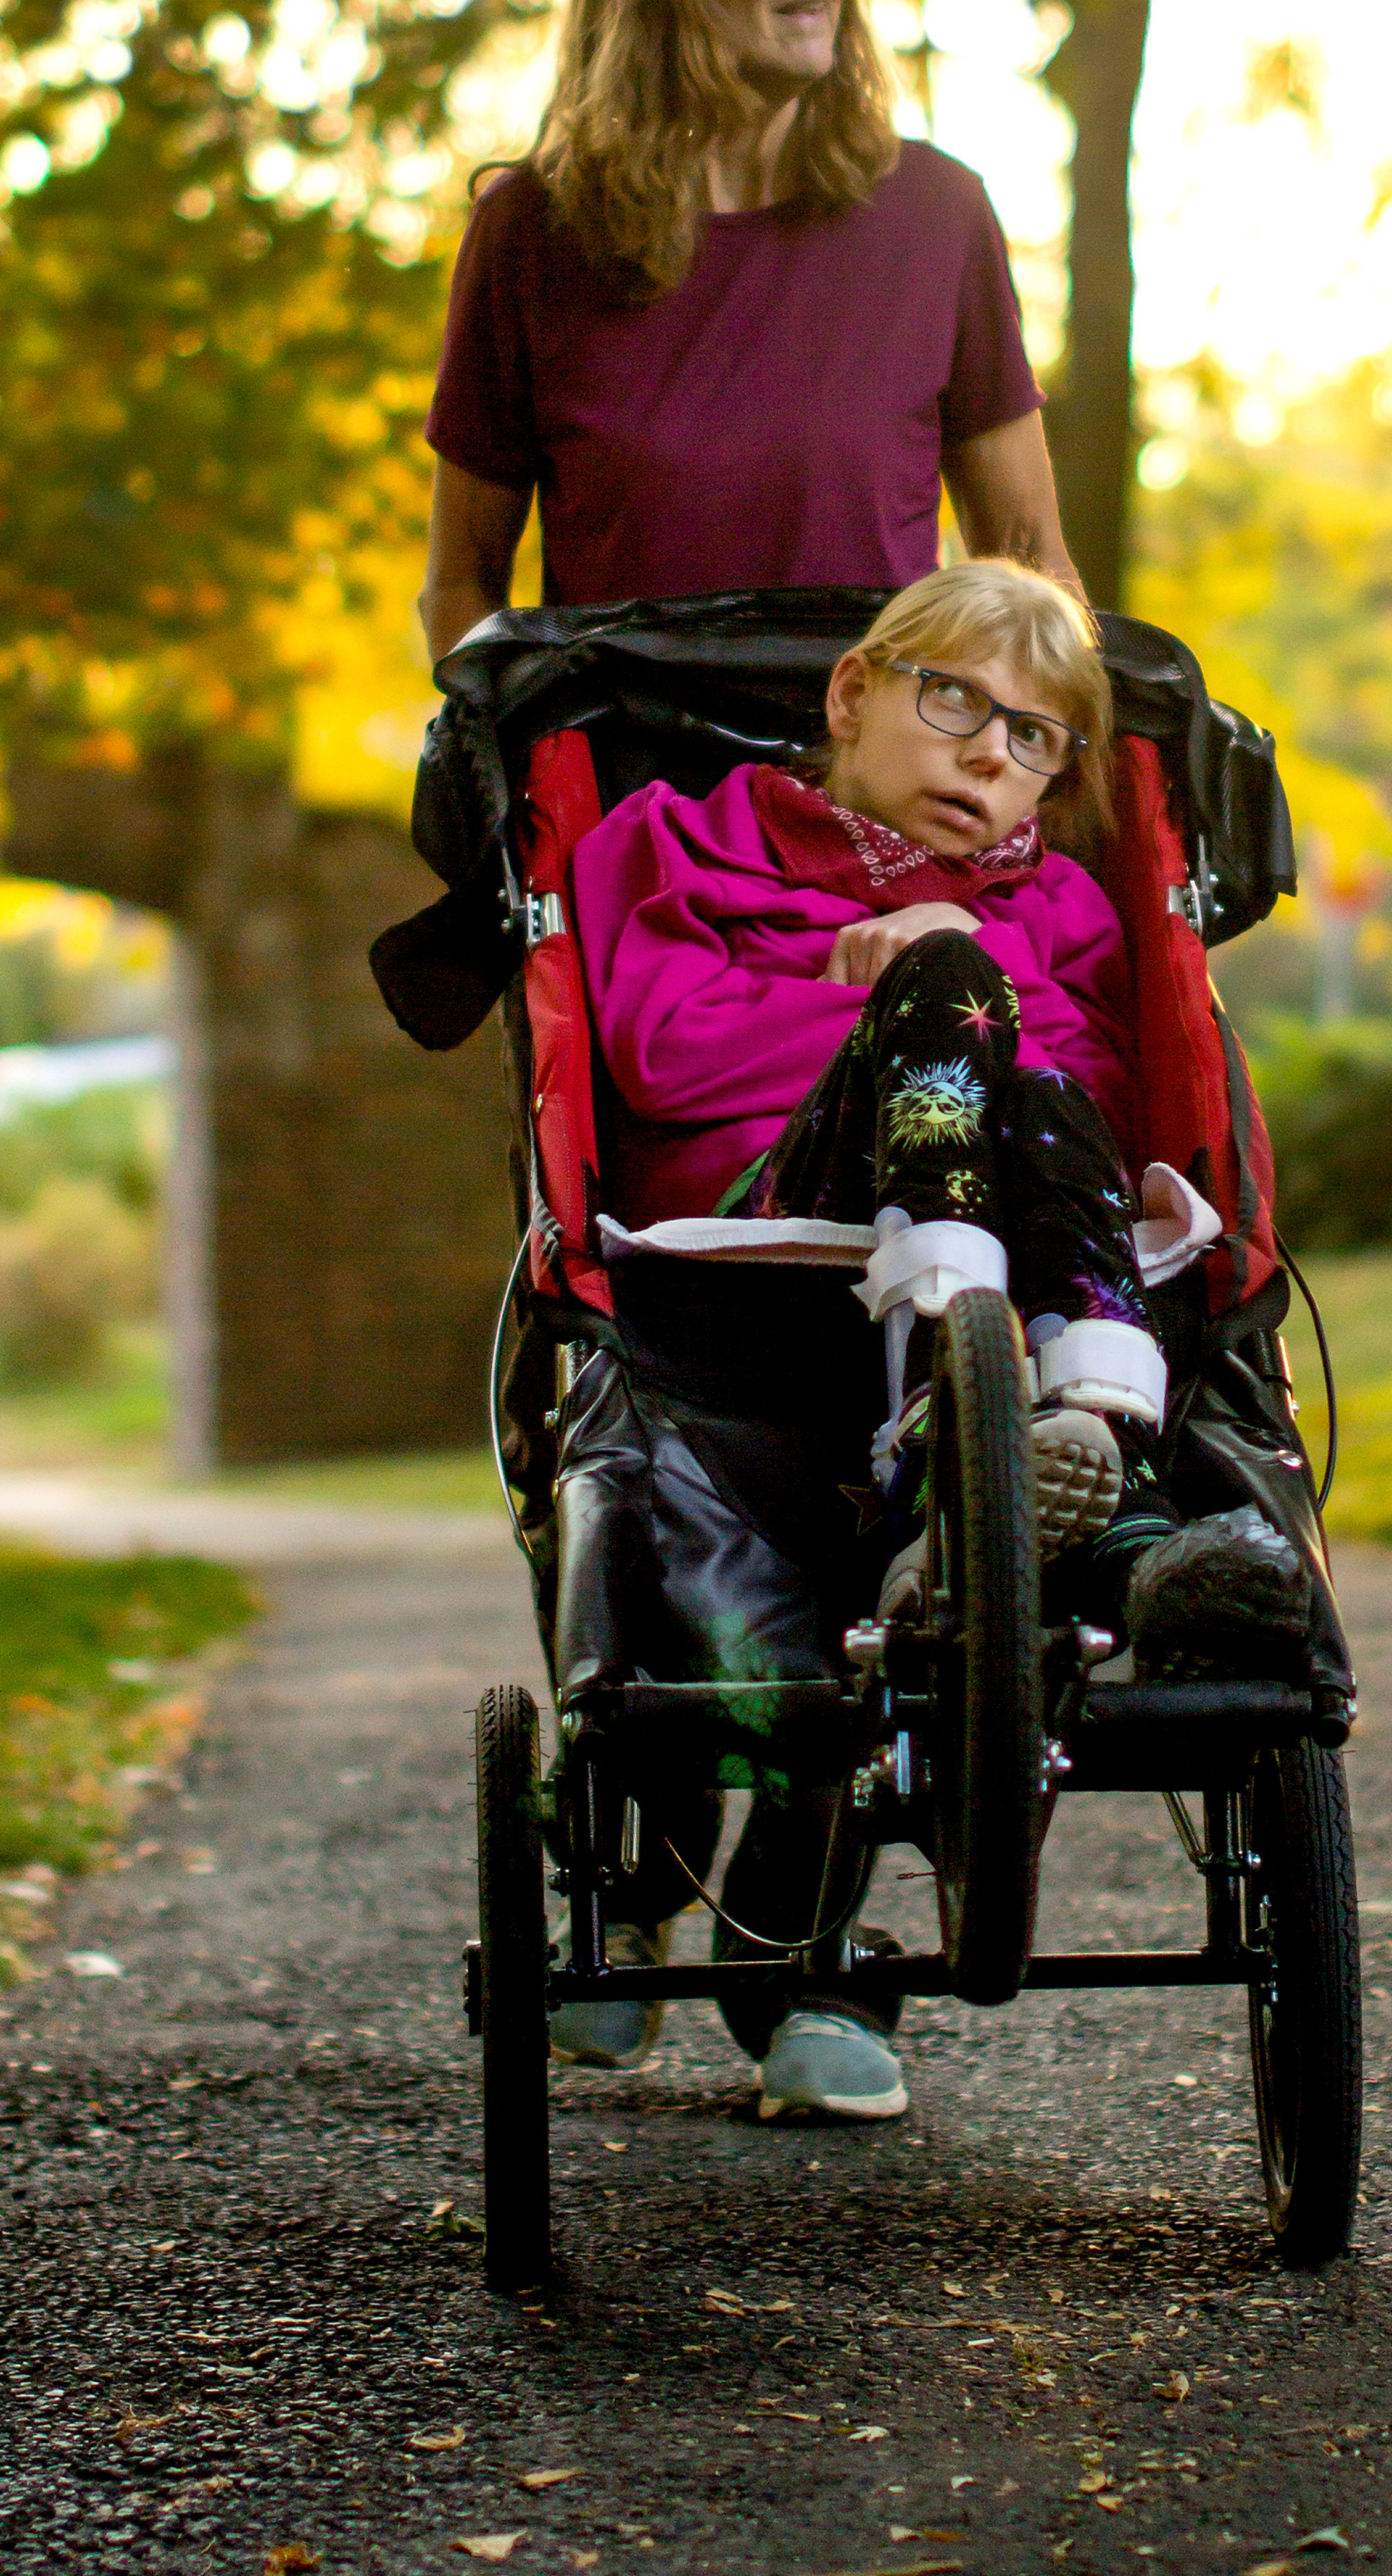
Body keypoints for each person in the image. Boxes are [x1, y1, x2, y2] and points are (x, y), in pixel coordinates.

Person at [555, 561, 1309, 2123]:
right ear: (852, 693)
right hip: (768, 1239)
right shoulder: (673, 841)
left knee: (1004, 1042)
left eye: (1036, 737)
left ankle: (1090, 1472)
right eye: (953, 701)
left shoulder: (1071, 903)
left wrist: (955, 998)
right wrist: (886, 992)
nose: (990, 754)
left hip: (1016, 1278)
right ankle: (1021, 1472)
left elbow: (1105, 1098)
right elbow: (661, 1051)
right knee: (965, 997)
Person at [419, 0, 1079, 660]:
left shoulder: (937, 217)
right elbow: (462, 585)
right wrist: (522, 770)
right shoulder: (533, 233)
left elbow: (1032, 571)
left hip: (867, 794)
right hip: (623, 796)